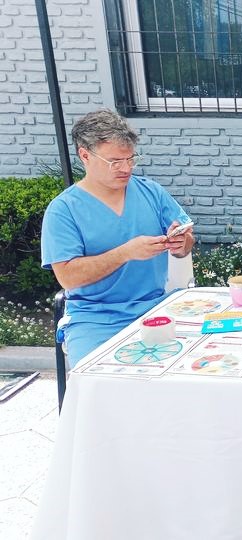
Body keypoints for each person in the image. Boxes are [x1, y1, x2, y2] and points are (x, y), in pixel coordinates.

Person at [41, 109, 194, 367]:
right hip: (94, 318)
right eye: (114, 162)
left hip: (155, 307)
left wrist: (182, 244)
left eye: (130, 159)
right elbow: (68, 277)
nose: (126, 168)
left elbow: (187, 239)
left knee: (197, 366)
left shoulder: (151, 192)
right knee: (98, 380)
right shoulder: (63, 210)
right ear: (85, 156)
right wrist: (125, 253)